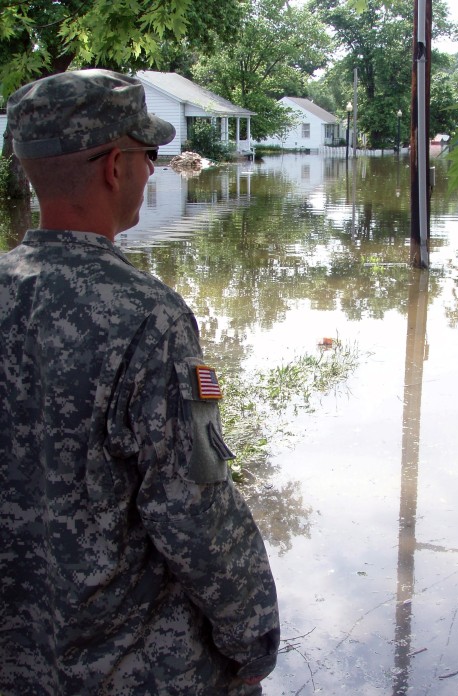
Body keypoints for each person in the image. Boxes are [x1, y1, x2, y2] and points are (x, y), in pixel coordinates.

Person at [0, 69, 279, 695]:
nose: (154, 171)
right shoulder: (147, 316)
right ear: (115, 166)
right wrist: (252, 635)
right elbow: (192, 505)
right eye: (148, 154)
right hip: (130, 663)